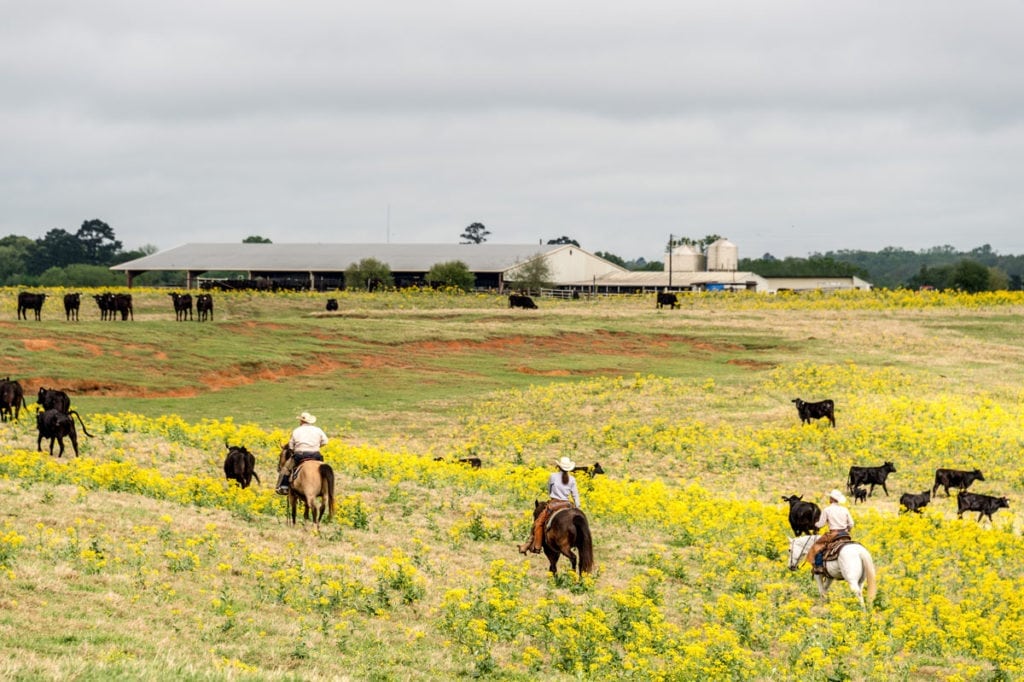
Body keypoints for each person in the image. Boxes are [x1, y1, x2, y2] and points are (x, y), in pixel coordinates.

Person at [518, 456, 581, 554]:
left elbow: (550, 490)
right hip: (568, 504)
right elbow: (575, 495)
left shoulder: (553, 476)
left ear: (559, 466)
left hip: (554, 504)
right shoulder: (572, 479)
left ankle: (537, 546)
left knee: (538, 523)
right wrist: (577, 507)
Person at [275, 412, 329, 495]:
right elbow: (325, 441)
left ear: (302, 421)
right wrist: (316, 446)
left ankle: (284, 487)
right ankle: (327, 486)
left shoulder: (297, 430)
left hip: (301, 455)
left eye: (300, 420)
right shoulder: (318, 430)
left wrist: (294, 449)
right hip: (316, 455)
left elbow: (291, 445)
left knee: (286, 468)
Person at [806, 488, 854, 574]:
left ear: (832, 499)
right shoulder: (845, 509)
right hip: (845, 534)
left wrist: (814, 524)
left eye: (830, 497)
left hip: (834, 534)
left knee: (818, 546)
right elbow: (851, 523)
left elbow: (821, 524)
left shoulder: (827, 510)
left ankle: (819, 566)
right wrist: (847, 530)